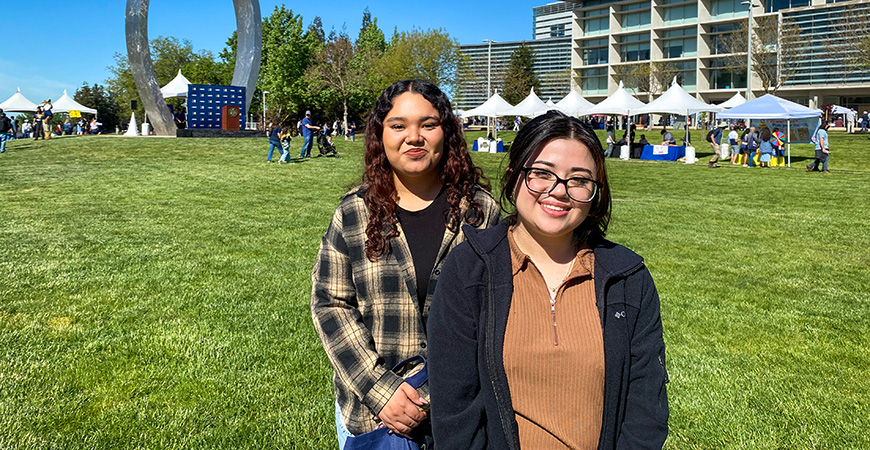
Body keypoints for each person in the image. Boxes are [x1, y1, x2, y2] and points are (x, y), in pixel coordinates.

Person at [428, 110, 669, 450]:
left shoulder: (628, 277)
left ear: (595, 192)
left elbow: (646, 409)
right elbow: (455, 413)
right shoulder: (469, 269)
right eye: (542, 174)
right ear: (514, 176)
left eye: (580, 180)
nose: (559, 191)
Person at [310, 79, 502, 450]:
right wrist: (381, 391)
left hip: (458, 412)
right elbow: (330, 304)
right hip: (371, 416)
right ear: (380, 135)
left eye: (428, 124)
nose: (414, 136)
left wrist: (427, 394)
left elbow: (498, 313)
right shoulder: (354, 212)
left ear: (446, 133)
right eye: (398, 125)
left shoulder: (479, 212)